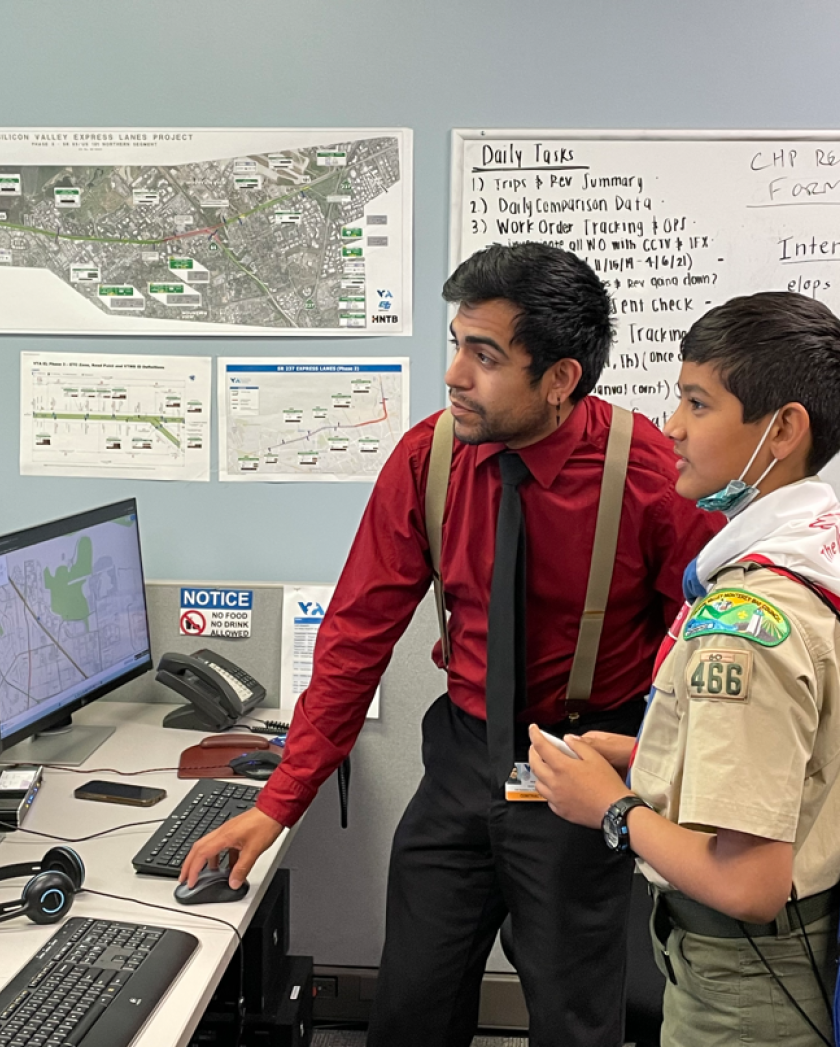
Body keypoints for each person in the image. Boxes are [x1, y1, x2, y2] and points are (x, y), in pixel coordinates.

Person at [181, 243, 721, 1047]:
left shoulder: (646, 472)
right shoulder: (426, 459)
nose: (454, 374)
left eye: (485, 354)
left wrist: (655, 767)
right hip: (463, 761)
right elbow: (354, 640)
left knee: (577, 1025)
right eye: (456, 344)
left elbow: (707, 643)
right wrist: (276, 802)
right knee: (409, 1011)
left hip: (581, 766)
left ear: (560, 378)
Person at [528, 291, 840, 1047]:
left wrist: (613, 807)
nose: (672, 426)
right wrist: (646, 751)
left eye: (697, 402)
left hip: (749, 982)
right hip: (811, 949)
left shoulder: (745, 627)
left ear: (783, 428)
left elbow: (747, 883)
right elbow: (802, 754)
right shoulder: (836, 554)